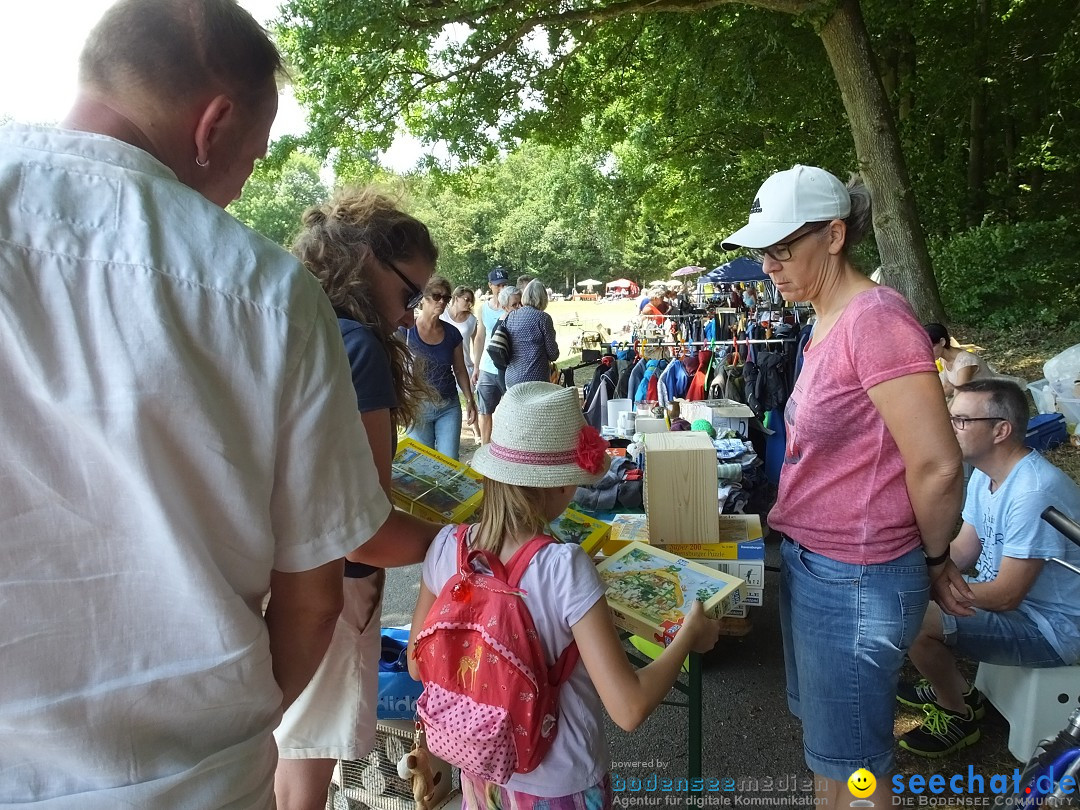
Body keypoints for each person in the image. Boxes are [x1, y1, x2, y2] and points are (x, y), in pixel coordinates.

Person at [0, 1, 393, 806]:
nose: (243, 184)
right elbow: (314, 599)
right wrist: (230, 732)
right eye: (252, 158)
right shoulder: (267, 293)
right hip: (196, 783)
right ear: (212, 124)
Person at [721, 164, 966, 807]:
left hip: (857, 577)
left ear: (833, 236)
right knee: (832, 753)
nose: (767, 265)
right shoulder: (824, 318)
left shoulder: (875, 319)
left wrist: (935, 558)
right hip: (818, 563)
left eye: (781, 249)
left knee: (858, 773)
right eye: (761, 251)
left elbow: (938, 463)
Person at [407, 382, 722, 808]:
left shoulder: (446, 546)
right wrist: (690, 634)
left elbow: (415, 663)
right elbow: (628, 708)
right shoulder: (564, 567)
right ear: (556, 486)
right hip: (562, 787)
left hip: (483, 776)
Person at [275, 187, 447, 810]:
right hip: (335, 590)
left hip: (275, 576)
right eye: (409, 294)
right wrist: (466, 537)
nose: (410, 315)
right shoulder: (360, 345)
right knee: (306, 769)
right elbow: (364, 529)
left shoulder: (292, 323)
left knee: (284, 749)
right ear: (371, 259)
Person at [897, 379, 1080, 757]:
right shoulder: (987, 473)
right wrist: (910, 571)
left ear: (1001, 430)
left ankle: (958, 713)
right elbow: (963, 550)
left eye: (961, 420)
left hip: (1055, 629)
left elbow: (1006, 595)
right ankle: (956, 687)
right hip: (1023, 610)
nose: (949, 427)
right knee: (904, 595)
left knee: (910, 615)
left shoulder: (1033, 491)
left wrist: (921, 592)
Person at [405, 276, 477, 459]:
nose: (442, 301)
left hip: (448, 406)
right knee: (421, 464)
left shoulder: (452, 333)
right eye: (437, 296)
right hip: (417, 407)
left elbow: (460, 369)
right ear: (423, 298)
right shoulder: (406, 331)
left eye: (446, 298)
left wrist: (470, 400)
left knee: (449, 461)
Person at [473, 267, 509, 444]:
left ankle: (506, 448)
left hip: (508, 368)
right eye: (497, 285)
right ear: (490, 286)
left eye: (504, 285)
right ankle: (484, 450)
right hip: (487, 368)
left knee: (509, 411)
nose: (501, 289)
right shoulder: (483, 309)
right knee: (485, 411)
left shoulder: (514, 308)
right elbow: (480, 337)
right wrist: (476, 366)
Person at [501, 280, 558, 388]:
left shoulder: (510, 316)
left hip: (511, 378)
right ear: (543, 298)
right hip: (535, 379)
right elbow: (553, 353)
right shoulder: (543, 318)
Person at [924, 322, 995, 397]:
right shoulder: (944, 360)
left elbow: (959, 394)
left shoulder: (965, 361)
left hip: (989, 399)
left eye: (931, 347)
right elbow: (948, 386)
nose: (928, 352)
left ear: (942, 342)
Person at [441, 285, 478, 379]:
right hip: (444, 365)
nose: (469, 303)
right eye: (466, 299)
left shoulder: (472, 320)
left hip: (465, 366)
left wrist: (477, 366)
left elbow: (476, 343)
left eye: (471, 301)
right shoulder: (442, 315)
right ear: (456, 298)